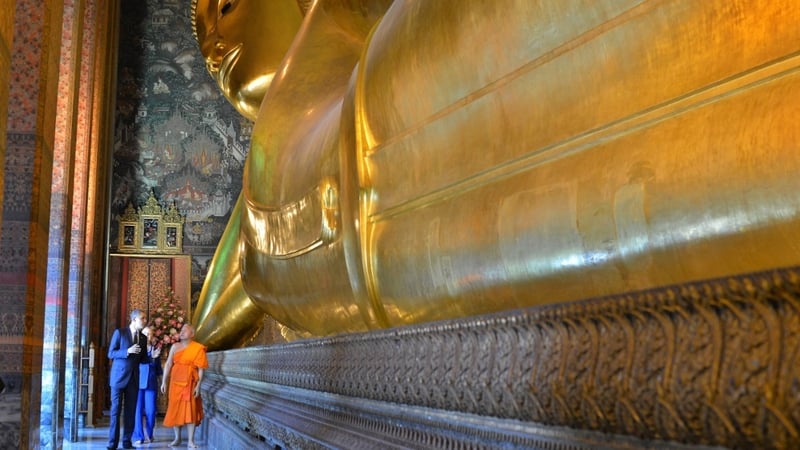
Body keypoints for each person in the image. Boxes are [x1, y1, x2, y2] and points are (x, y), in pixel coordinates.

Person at [107, 309, 149, 450]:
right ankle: (112, 444)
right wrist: (127, 351)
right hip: (118, 379)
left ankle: (126, 442)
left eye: (145, 318)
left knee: (130, 411)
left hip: (134, 379)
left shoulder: (143, 338)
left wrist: (151, 355)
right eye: (142, 318)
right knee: (115, 411)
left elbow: (143, 359)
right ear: (134, 319)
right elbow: (111, 353)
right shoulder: (120, 333)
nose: (144, 321)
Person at [160, 324, 208, 448]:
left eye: (184, 331)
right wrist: (164, 381)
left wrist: (198, 386)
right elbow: (169, 364)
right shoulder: (175, 347)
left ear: (192, 334)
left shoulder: (198, 348)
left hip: (190, 384)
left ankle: (191, 441)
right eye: (181, 330)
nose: (181, 333)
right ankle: (177, 438)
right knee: (176, 409)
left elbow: (201, 369)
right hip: (175, 383)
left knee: (190, 411)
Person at [132, 326, 162, 444]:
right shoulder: (137, 348)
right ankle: (139, 436)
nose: (148, 336)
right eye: (145, 333)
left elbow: (159, 369)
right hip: (137, 382)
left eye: (150, 334)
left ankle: (149, 434)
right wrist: (151, 357)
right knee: (137, 410)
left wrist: (162, 382)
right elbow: (135, 363)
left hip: (151, 383)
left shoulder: (156, 350)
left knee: (151, 410)